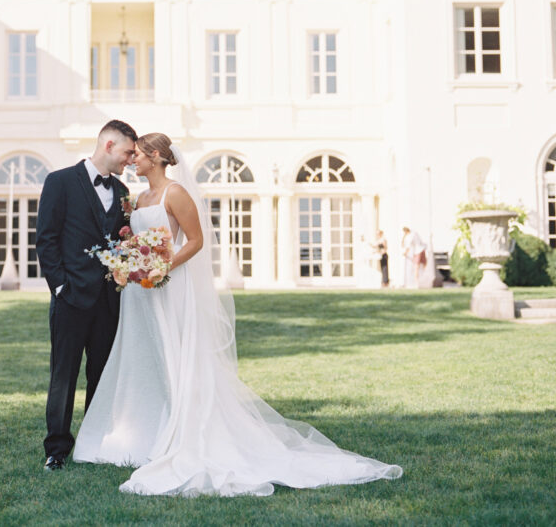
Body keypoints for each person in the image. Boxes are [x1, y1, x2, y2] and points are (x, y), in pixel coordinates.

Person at [72, 133, 402, 496]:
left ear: (156, 157)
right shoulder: (138, 198)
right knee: (147, 358)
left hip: (168, 286)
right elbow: (139, 239)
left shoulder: (175, 193)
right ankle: (146, 432)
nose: (132, 160)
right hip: (141, 294)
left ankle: (186, 430)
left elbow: (195, 241)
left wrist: (162, 267)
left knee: (177, 357)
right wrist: (132, 261)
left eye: (138, 155)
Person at [35, 119, 138, 472]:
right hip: (70, 297)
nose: (129, 160)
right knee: (63, 375)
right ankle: (57, 449)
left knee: (101, 374)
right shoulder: (60, 181)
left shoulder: (124, 193)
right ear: (108, 145)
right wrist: (60, 286)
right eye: (127, 152)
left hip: (109, 301)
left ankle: (94, 443)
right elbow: (46, 239)